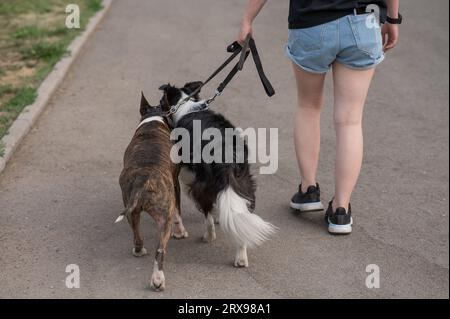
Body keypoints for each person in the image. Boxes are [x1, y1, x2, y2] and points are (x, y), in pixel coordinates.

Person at [238, 0, 401, 234]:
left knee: (309, 107)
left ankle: (308, 190)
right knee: (350, 120)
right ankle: (340, 210)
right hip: (362, 20)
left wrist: (247, 20)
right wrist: (393, 19)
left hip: (311, 23)